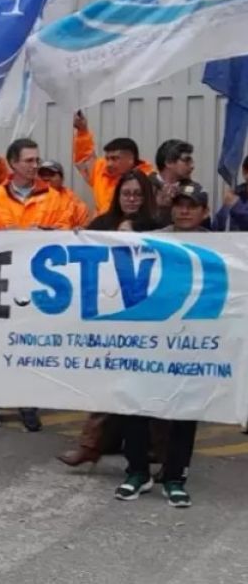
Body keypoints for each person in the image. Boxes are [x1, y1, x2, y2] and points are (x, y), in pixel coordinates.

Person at [58, 170, 161, 468]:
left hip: (148, 317)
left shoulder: (159, 226)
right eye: (126, 193)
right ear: (117, 196)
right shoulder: (101, 224)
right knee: (108, 381)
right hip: (109, 315)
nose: (131, 199)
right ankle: (90, 444)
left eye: (138, 194)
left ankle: (156, 449)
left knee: (150, 384)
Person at [115, 183, 207, 508]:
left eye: (192, 205)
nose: (184, 210)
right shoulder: (154, 239)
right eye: (180, 204)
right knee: (135, 404)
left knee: (185, 409)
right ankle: (138, 472)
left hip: (193, 342)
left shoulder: (221, 247)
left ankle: (174, 477)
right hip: (149, 339)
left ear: (203, 212)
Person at [0, 138, 73, 431]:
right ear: (14, 163)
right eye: (29, 161)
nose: (35, 166)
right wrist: (5, 235)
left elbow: (66, 233)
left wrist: (41, 234)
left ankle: (28, 402)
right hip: (3, 283)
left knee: (31, 345)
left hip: (38, 284)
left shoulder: (54, 197)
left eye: (37, 160)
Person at [72, 111, 156, 214]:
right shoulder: (100, 170)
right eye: (107, 159)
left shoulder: (148, 178)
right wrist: (82, 131)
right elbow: (84, 157)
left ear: (131, 159)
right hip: (102, 227)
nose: (109, 164)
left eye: (115, 159)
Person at [152, 139, 205, 227]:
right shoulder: (144, 187)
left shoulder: (195, 190)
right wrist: (160, 208)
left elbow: (205, 222)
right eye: (186, 160)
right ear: (169, 162)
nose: (192, 166)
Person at [214, 155, 248, 231]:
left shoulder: (236, 202)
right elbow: (217, 227)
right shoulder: (235, 193)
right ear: (245, 172)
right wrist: (226, 207)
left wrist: (236, 206)